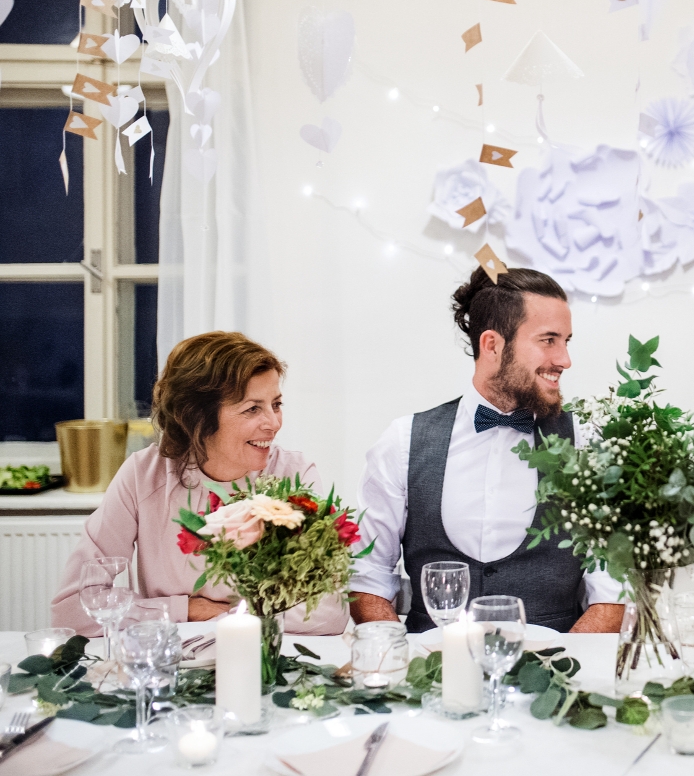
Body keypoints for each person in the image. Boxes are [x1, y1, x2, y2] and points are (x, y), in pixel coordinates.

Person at [349, 266, 625, 633]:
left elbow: (612, 593)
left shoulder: (589, 443)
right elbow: (366, 580)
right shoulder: (401, 442)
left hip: (557, 674)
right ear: (492, 345)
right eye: (548, 340)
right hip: (429, 676)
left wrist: (561, 671)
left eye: (566, 341)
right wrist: (408, 665)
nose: (564, 359)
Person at [51, 332, 347, 634]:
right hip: (171, 662)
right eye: (252, 409)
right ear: (197, 417)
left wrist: (230, 617)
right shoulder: (143, 475)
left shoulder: (293, 474)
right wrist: (184, 609)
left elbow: (330, 611)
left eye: (276, 404)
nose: (273, 423)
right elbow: (73, 609)